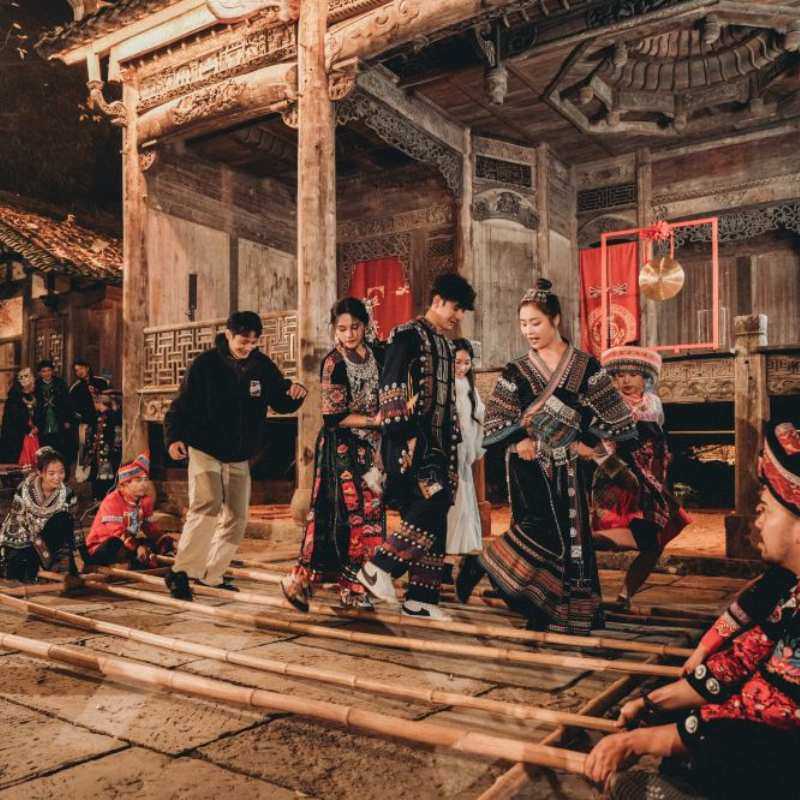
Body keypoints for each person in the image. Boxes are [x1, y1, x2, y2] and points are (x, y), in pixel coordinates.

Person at [584, 419, 800, 800]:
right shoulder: (788, 587)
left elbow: (764, 711)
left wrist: (639, 742)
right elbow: (739, 659)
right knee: (683, 716)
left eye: (765, 510)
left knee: (732, 746)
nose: (758, 521)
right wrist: (651, 703)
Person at [456, 279, 636, 634]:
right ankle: (497, 575)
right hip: (529, 462)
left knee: (573, 537)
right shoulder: (517, 369)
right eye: (523, 324)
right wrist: (520, 438)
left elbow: (615, 415)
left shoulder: (586, 366)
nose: (529, 331)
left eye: (535, 322)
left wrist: (587, 441)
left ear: (555, 319)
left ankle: (554, 610)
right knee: (539, 531)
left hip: (570, 464)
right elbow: (496, 419)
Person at [355, 272, 476, 620]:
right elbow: (391, 387)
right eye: (456, 308)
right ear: (437, 300)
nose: (458, 317)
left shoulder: (446, 346)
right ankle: (378, 568)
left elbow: (447, 402)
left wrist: (453, 442)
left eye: (462, 311)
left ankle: (421, 599)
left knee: (433, 519)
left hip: (439, 448)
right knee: (433, 502)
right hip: (410, 444)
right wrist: (403, 437)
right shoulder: (406, 335)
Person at [163, 310, 307, 601]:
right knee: (208, 503)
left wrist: (295, 393)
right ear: (228, 335)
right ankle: (182, 573)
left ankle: (212, 574)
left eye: (254, 342)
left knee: (238, 516)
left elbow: (280, 401)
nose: (248, 347)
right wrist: (173, 438)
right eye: (243, 341)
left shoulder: (261, 366)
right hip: (204, 446)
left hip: (240, 453)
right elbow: (181, 405)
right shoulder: (205, 364)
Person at [281, 298, 386, 611]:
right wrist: (374, 421)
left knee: (372, 514)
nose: (349, 334)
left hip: (371, 449)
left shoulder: (377, 355)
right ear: (334, 330)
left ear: (365, 326)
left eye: (355, 327)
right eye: (342, 329)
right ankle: (310, 581)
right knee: (340, 516)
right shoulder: (333, 363)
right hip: (340, 450)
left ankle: (359, 582)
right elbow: (333, 416)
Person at [591, 345, 692, 607]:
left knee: (654, 545)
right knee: (622, 534)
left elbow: (658, 439)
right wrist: (616, 470)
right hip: (620, 478)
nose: (626, 380)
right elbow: (599, 446)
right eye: (620, 375)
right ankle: (572, 550)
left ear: (645, 378)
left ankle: (624, 596)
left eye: (633, 375)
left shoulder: (654, 404)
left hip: (652, 480)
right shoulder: (609, 405)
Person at [0, 447, 79, 581]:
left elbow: (73, 526)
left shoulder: (68, 493)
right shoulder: (24, 489)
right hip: (24, 539)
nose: (57, 477)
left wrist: (80, 555)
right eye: (51, 473)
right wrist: (37, 547)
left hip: (51, 541)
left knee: (63, 519)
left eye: (61, 472)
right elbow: (17, 521)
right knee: (18, 567)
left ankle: (51, 565)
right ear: (40, 472)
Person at [85, 453, 175, 569]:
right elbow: (117, 533)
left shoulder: (144, 501)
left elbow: (150, 528)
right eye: (138, 481)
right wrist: (137, 547)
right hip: (103, 547)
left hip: (128, 544)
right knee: (115, 544)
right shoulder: (112, 501)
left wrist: (166, 541)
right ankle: (133, 563)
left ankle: (140, 561)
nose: (144, 484)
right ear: (124, 485)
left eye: (145, 480)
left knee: (156, 543)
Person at [445, 338, 485, 557]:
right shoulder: (444, 386)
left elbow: (478, 416)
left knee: (464, 491)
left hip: (464, 446)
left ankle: (463, 542)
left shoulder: (470, 388)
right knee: (452, 493)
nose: (462, 368)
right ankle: (449, 542)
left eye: (466, 363)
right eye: (457, 362)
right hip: (447, 447)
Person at [69, 358, 110, 479]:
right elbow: (72, 410)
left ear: (87, 368)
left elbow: (110, 400)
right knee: (86, 450)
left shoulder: (102, 382)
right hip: (87, 424)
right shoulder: (75, 388)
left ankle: (104, 476)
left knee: (104, 449)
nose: (79, 372)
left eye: (81, 368)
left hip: (104, 421)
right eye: (76, 370)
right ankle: (88, 477)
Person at [81, 389, 123, 500]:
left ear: (100, 403)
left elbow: (117, 433)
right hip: (98, 451)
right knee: (96, 474)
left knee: (107, 476)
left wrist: (113, 448)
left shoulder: (112, 416)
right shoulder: (98, 416)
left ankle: (106, 497)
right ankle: (97, 497)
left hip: (108, 451)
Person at [34, 359, 71, 460]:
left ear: (52, 371)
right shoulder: (36, 385)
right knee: (44, 448)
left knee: (59, 447)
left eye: (49, 370)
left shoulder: (60, 383)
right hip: (42, 419)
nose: (46, 373)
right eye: (43, 371)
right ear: (39, 373)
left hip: (58, 417)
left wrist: (67, 419)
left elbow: (67, 403)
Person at [0, 367, 38, 465]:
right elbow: (17, 417)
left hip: (30, 434)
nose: (33, 386)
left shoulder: (32, 396)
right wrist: (29, 429)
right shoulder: (14, 397)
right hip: (16, 436)